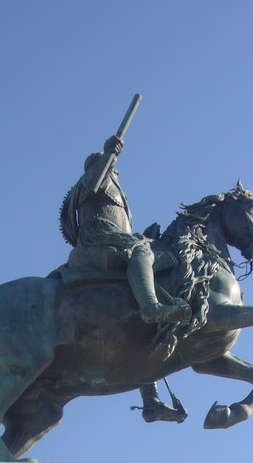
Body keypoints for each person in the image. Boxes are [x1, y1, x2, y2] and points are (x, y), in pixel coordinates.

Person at [60, 137, 191, 329]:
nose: (116, 172)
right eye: (112, 169)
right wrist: (110, 153)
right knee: (142, 250)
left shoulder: (108, 183)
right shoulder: (90, 180)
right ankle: (150, 307)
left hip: (111, 238)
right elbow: (98, 175)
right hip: (98, 239)